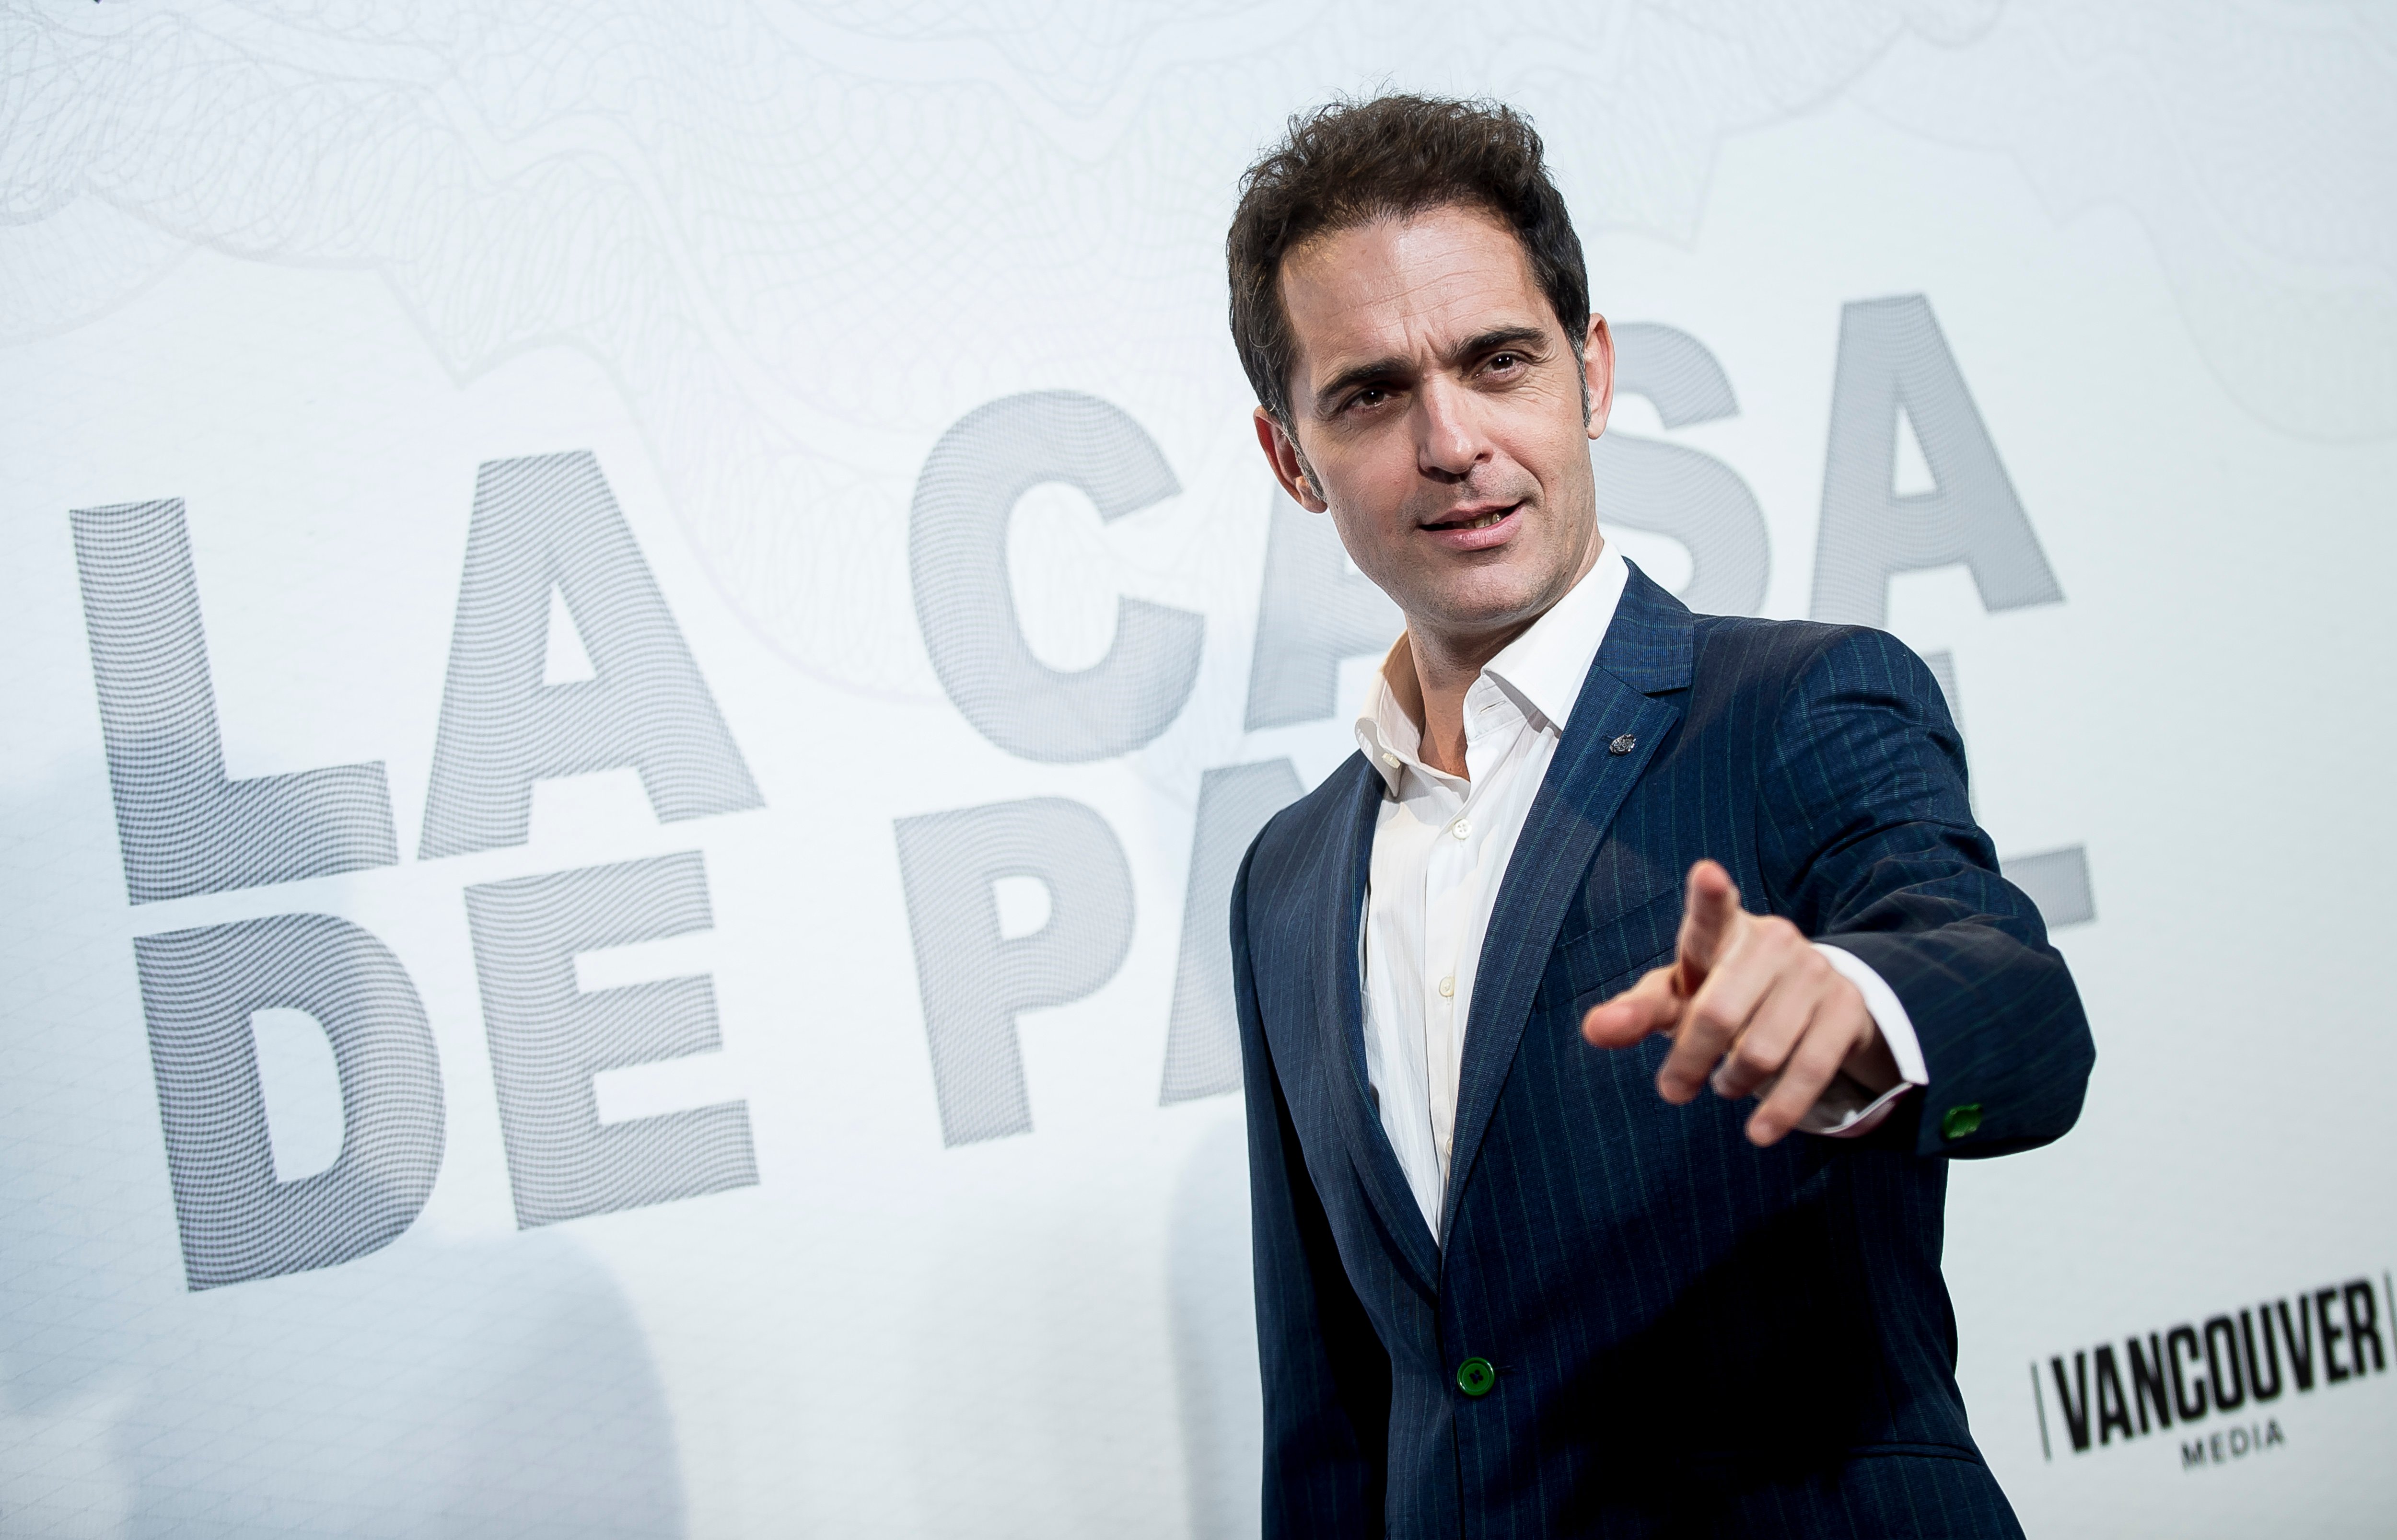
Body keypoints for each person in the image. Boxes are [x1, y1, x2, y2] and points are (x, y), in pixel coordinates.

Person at [1224, 94, 2093, 1538]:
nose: (1453, 441)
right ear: (1291, 459)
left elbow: (2017, 1004)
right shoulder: (1287, 880)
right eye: (1372, 394)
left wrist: (1856, 1002)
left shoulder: (1800, 705)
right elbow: (1331, 1408)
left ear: (1590, 373)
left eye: (1498, 362)